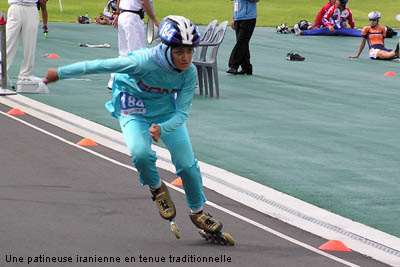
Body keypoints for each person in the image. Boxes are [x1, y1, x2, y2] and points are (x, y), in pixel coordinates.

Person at [44, 16, 233, 243]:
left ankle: (198, 212)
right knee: (140, 153)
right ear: (166, 47)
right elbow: (99, 65)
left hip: (165, 114)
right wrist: (60, 73)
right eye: (179, 52)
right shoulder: (142, 62)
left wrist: (162, 128)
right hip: (133, 108)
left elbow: (182, 114)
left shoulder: (189, 72)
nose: (185, 58)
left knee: (187, 165)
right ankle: (156, 189)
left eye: (189, 51)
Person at [108, 0, 159, 89]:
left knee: (124, 53)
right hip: (132, 18)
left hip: (123, 16)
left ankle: (114, 80)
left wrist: (117, 13)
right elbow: (145, 1)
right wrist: (154, 19)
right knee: (138, 54)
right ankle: (135, 83)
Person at [6, 0, 40, 83]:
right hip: (15, 6)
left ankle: (26, 75)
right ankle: (1, 71)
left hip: (32, 7)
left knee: (30, 44)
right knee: (8, 41)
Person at [295, 0, 361, 37]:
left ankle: (366, 33)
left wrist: (353, 28)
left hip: (342, 29)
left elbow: (351, 21)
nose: (336, 1)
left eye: (338, 1)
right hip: (330, 29)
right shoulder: (332, 8)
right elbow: (324, 18)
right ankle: (302, 32)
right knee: (319, 31)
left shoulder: (348, 11)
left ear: (342, 4)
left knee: (355, 32)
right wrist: (329, 26)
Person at [226, 0, 258, 75]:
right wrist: (234, 18)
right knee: (243, 44)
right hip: (238, 18)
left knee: (241, 43)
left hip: (249, 18)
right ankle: (247, 68)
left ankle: (233, 65)